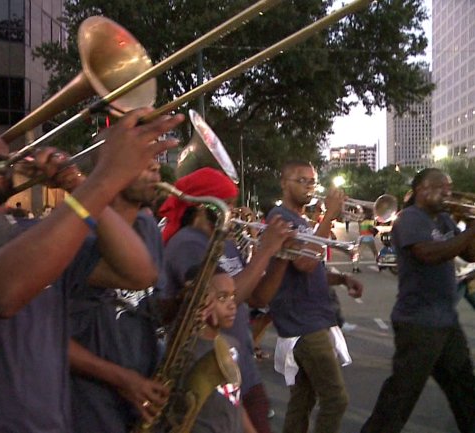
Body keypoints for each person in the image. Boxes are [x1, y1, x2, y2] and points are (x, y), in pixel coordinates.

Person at [0, 95, 183, 432]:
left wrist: (77, 183)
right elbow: (0, 292)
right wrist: (104, 180)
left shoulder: (30, 232)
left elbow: (137, 272)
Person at [159, 167, 294, 433]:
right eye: (226, 204)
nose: (233, 212)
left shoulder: (223, 242)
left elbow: (256, 297)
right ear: (202, 207)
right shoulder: (188, 243)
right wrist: (266, 250)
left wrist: (281, 256)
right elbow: (219, 297)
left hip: (239, 365)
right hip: (210, 371)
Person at [361, 168, 475, 433]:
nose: (448, 193)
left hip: (445, 321)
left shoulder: (444, 219)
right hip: (419, 324)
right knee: (400, 398)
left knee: (465, 389)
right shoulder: (410, 218)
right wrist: (470, 232)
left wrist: (470, 226)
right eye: (441, 187)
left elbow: (469, 255)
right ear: (422, 190)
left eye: (449, 187)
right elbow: (427, 253)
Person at [67, 159, 169, 433]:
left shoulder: (148, 228)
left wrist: (185, 302)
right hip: (93, 404)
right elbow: (52, 339)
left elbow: (150, 303)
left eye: (156, 165)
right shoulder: (74, 235)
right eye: (144, 163)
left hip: (144, 390)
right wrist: (123, 380)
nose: (156, 171)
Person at [266, 160, 363, 433]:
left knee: (303, 400)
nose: (310, 186)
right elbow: (304, 262)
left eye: (312, 181)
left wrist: (342, 279)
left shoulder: (302, 221)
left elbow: (312, 270)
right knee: (336, 400)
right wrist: (329, 216)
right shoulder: (280, 218)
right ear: (284, 183)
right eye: (302, 180)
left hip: (315, 317)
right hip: (303, 324)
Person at [190, 268, 245, 433]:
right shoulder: (189, 351)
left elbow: (235, 401)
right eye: (222, 298)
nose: (232, 305)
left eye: (233, 296)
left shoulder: (232, 344)